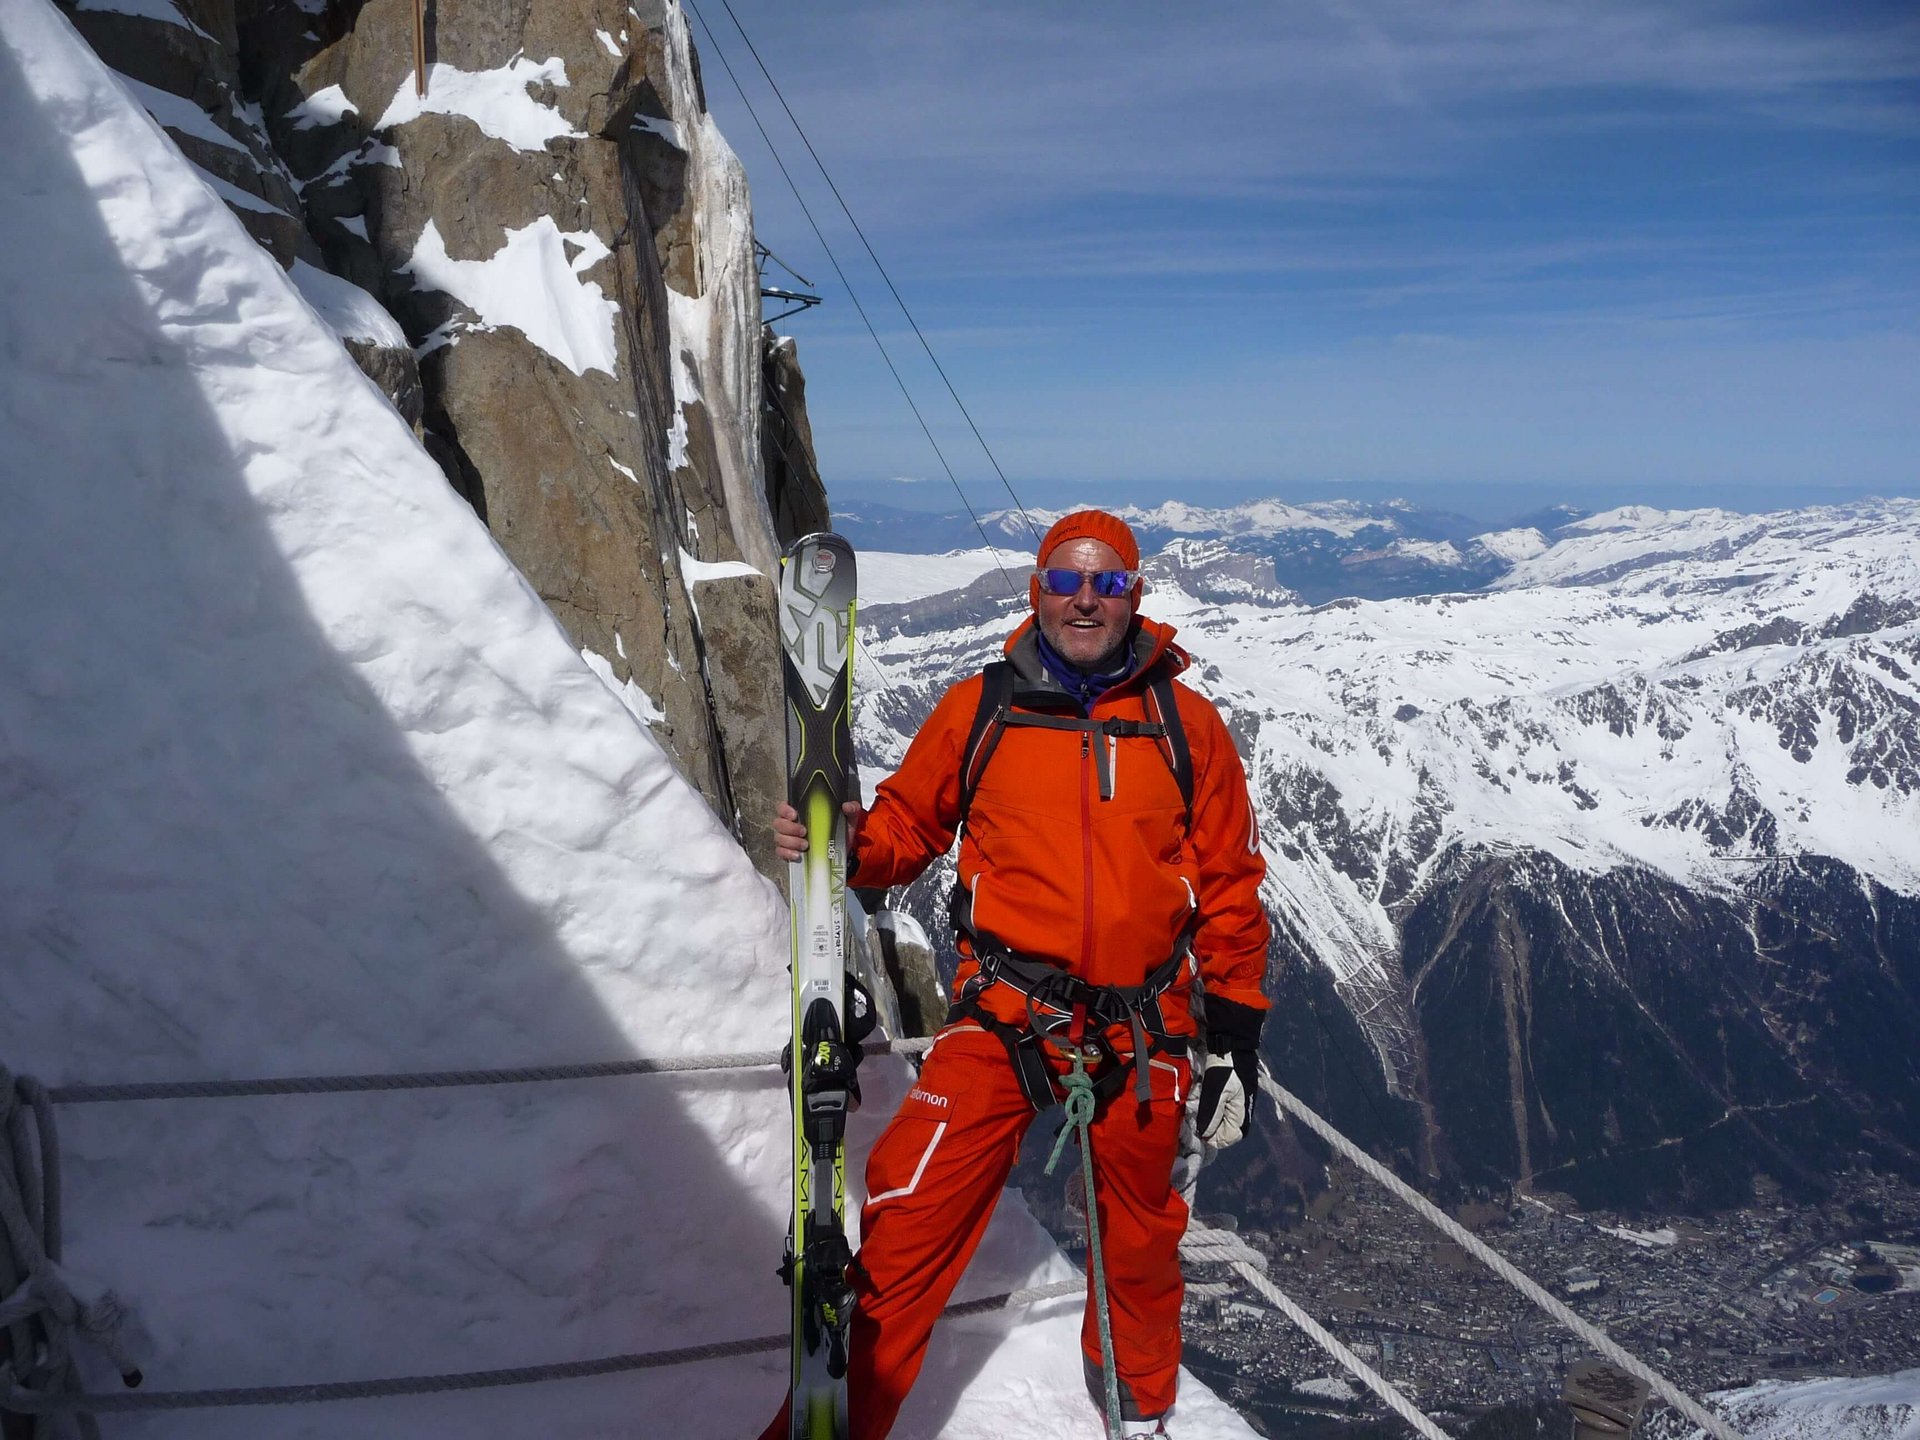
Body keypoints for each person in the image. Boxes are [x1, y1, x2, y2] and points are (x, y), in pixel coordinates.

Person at [763, 510, 1271, 1440]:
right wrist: (841, 845)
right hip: (1006, 1013)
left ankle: (1141, 1405)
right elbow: (910, 828)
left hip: (1143, 1024)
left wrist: (1233, 1037)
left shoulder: (1186, 727)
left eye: (1107, 582)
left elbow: (1230, 886)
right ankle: (841, 1413)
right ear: (1037, 591)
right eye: (1067, 580)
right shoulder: (982, 709)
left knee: (1143, 1237)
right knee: (912, 1203)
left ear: (1136, 598)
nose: (1086, 598)